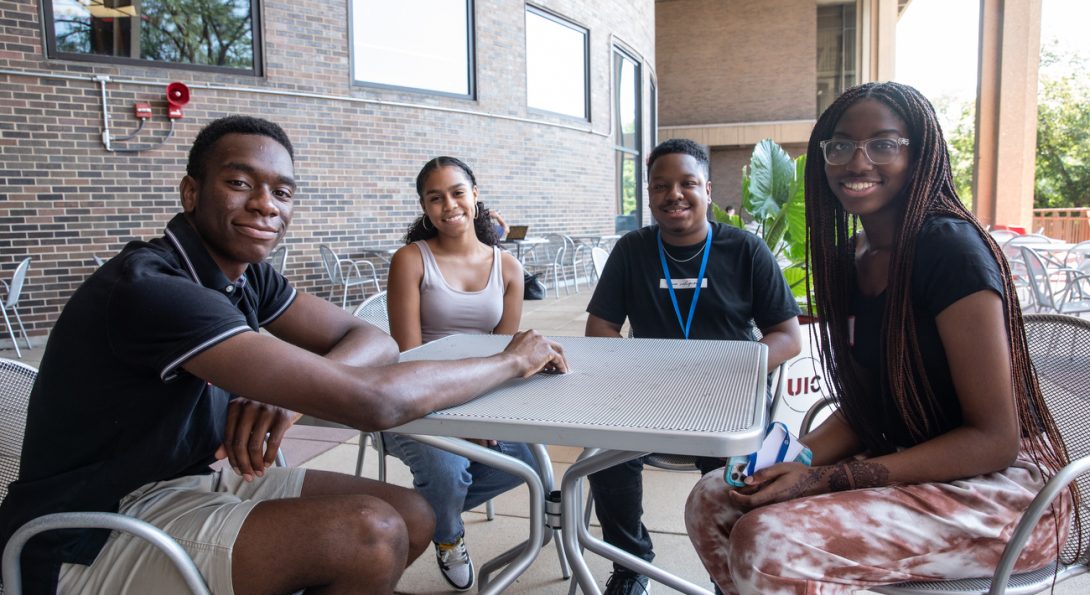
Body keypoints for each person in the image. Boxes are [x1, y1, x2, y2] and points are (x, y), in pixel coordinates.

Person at [0, 116, 568, 595]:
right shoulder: (154, 288)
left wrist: (289, 400)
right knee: (370, 534)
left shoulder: (247, 276)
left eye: (283, 191)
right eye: (240, 183)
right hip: (89, 533)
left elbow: (375, 340)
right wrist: (511, 360)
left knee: (416, 514)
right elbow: (375, 402)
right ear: (191, 192)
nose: (265, 205)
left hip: (185, 484)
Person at [685, 81, 1074, 594]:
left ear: (920, 156)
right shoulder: (852, 258)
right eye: (840, 145)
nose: (857, 161)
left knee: (772, 542)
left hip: (1008, 497)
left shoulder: (950, 251)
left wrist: (830, 479)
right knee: (714, 497)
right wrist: (792, 460)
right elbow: (866, 407)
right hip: (917, 465)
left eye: (884, 144)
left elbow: (994, 440)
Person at [585, 138, 802, 594]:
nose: (674, 195)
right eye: (660, 186)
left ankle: (727, 575)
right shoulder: (632, 251)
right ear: (649, 194)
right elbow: (601, 327)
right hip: (647, 393)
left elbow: (787, 337)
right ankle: (630, 564)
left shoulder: (745, 250)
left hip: (727, 394)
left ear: (706, 187)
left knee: (737, 478)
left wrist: (731, 368)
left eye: (687, 183)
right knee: (605, 456)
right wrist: (636, 367)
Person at [384, 156, 528, 591]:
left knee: (526, 465)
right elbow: (409, 357)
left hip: (480, 395)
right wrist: (459, 424)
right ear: (425, 207)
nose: (449, 205)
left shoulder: (507, 268)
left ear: (475, 195)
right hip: (412, 401)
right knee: (446, 471)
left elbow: (505, 356)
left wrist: (476, 418)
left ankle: (424, 512)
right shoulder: (410, 260)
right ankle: (447, 534)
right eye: (435, 197)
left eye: (457, 192)